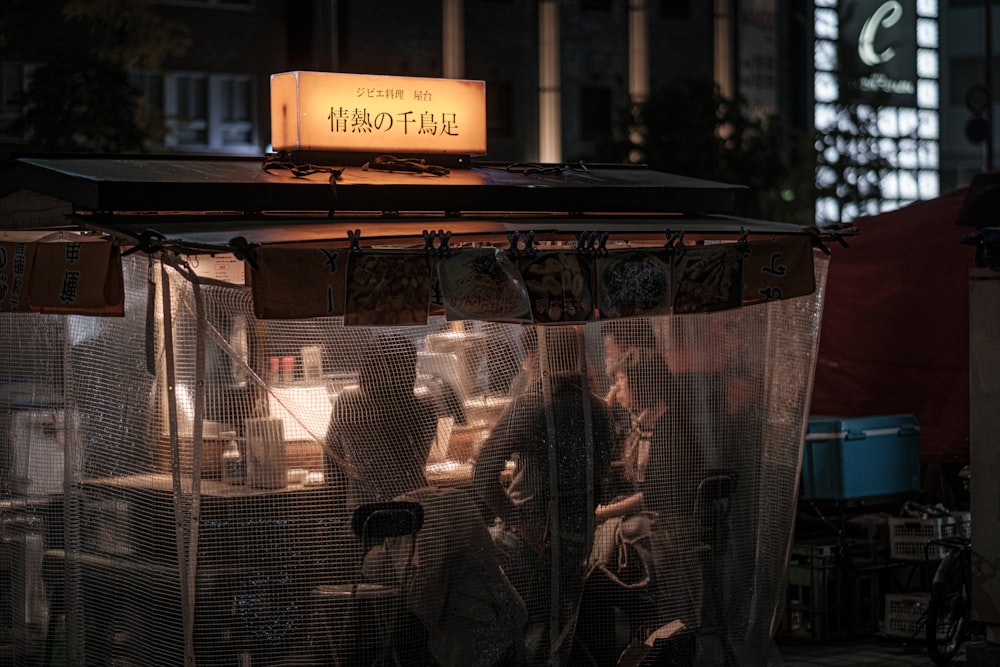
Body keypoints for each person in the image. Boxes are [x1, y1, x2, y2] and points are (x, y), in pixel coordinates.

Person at [472, 326, 614, 665]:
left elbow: (481, 476)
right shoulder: (598, 409)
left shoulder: (530, 406)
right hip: (578, 540)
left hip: (529, 543)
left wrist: (520, 521)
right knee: (551, 622)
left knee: (463, 559)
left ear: (539, 358)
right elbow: (601, 476)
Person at [325, 331, 438, 505]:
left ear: (366, 370)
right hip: (415, 508)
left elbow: (333, 462)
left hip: (365, 512)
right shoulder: (425, 410)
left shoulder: (347, 402)